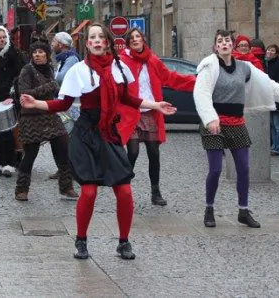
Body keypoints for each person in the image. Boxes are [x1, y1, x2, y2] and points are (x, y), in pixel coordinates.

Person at [20, 22, 176, 261]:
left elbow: (128, 98)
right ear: (87, 43)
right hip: (85, 134)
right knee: (90, 192)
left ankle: (124, 242)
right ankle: (81, 240)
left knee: (124, 191)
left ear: (107, 42)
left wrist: (155, 105)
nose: (95, 41)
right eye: (91, 37)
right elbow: (63, 104)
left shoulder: (119, 68)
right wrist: (37, 103)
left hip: (108, 132)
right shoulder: (79, 71)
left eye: (100, 37)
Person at [193, 30, 279, 229]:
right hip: (214, 123)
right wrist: (209, 118)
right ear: (215, 47)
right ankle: (209, 208)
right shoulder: (209, 68)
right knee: (216, 169)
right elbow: (200, 94)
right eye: (220, 41)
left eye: (227, 41)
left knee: (244, 169)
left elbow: (269, 85)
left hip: (236, 122)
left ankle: (243, 211)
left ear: (232, 45)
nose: (224, 44)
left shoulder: (245, 68)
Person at [119, 28, 196, 206]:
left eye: (138, 37)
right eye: (132, 38)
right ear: (128, 42)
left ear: (143, 40)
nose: (135, 40)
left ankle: (156, 191)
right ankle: (123, 189)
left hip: (152, 113)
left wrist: (196, 82)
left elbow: (170, 78)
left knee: (154, 153)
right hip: (133, 113)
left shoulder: (152, 60)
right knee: (133, 151)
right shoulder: (123, 61)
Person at [14, 40, 77, 201]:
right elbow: (24, 93)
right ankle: (21, 189)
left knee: (63, 147)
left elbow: (55, 89)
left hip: (49, 113)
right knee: (30, 154)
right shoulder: (27, 70)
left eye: (41, 52)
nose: (37, 55)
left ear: (47, 55)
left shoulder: (49, 69)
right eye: (35, 52)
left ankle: (66, 187)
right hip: (31, 116)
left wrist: (52, 87)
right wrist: (49, 87)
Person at [0, 24, 24, 177]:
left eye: (4, 37)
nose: (2, 40)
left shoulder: (14, 53)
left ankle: (11, 162)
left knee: (9, 131)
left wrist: (13, 93)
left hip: (9, 96)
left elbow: (21, 74)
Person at [264, 44, 279, 156]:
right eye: (268, 49)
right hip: (269, 98)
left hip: (276, 99)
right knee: (273, 124)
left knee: (278, 125)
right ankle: (275, 146)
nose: (270, 52)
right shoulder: (267, 64)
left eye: (272, 50)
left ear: (277, 53)